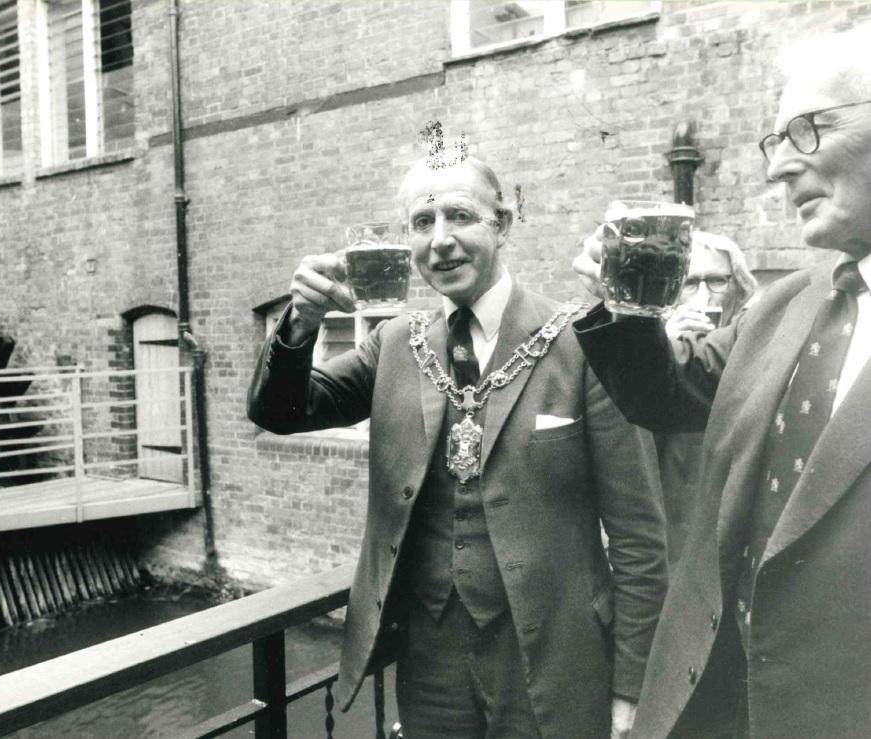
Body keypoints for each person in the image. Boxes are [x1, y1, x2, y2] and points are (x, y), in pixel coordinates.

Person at [248, 152, 667, 738]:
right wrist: (299, 323)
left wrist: (630, 690)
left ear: (504, 223)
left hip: (554, 660)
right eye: (423, 223)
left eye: (461, 217)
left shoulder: (582, 342)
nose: (440, 241)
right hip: (430, 663)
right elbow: (279, 412)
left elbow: (641, 539)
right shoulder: (395, 344)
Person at [571, 26, 871, 738]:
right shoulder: (783, 304)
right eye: (776, 143)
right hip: (707, 705)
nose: (775, 171)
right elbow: (667, 396)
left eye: (803, 131)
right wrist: (626, 302)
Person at [658, 231, 758, 567]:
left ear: (738, 287)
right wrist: (664, 346)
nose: (703, 295)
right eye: (690, 283)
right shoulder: (650, 351)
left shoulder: (756, 343)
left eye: (716, 280)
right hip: (671, 538)